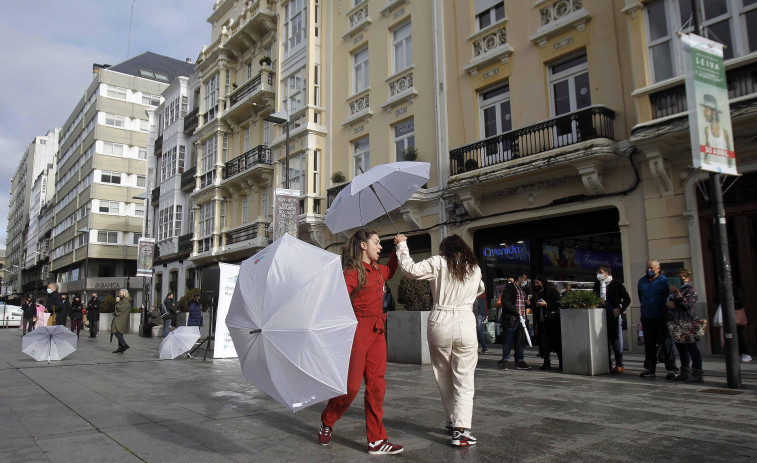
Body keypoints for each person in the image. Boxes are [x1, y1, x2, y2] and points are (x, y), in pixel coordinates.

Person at [319, 228, 403, 455]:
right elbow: (335, 300)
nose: (380, 246)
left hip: (377, 333)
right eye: (377, 242)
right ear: (363, 245)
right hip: (357, 332)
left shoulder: (377, 269)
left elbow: (392, 270)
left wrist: (398, 247)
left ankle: (376, 440)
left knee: (377, 386)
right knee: (351, 387)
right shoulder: (352, 273)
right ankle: (328, 419)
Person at [395, 234, 484, 447]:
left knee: (443, 374)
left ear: (444, 250)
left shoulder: (437, 262)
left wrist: (402, 246)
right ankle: (461, 430)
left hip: (440, 321)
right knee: (464, 377)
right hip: (465, 322)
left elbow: (410, 270)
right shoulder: (474, 268)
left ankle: (453, 420)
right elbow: (480, 289)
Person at [638, 260, 677, 378]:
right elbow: (641, 296)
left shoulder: (665, 281)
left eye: (651, 268)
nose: (649, 270)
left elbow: (671, 297)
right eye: (647, 267)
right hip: (646, 316)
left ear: (658, 269)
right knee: (649, 344)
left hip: (661, 316)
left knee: (666, 343)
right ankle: (649, 368)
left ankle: (671, 369)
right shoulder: (641, 281)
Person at [665, 269, 704, 383]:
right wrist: (669, 304)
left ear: (687, 279)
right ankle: (684, 372)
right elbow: (670, 305)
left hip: (687, 322)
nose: (680, 279)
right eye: (678, 277)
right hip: (676, 322)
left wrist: (678, 294)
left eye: (682, 277)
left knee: (692, 348)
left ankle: (697, 373)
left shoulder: (690, 290)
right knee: (681, 349)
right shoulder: (672, 291)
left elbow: (687, 306)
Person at [593, 265, 631, 373]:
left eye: (600, 272)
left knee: (614, 339)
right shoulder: (597, 284)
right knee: (603, 339)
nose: (598, 274)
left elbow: (627, 299)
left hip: (612, 313)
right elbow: (593, 295)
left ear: (607, 273)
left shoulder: (616, 284)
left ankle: (619, 363)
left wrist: (619, 308)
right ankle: (607, 363)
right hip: (600, 313)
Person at [496, 272, 531, 371]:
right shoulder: (510, 288)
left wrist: (528, 303)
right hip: (511, 319)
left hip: (522, 320)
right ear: (519, 279)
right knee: (508, 340)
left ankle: (520, 360)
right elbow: (505, 302)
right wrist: (515, 310)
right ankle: (506, 360)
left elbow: (523, 303)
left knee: (520, 341)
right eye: (524, 279)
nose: (525, 281)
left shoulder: (523, 290)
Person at [534, 276, 562, 371]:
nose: (536, 285)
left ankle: (561, 362)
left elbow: (558, 303)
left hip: (553, 321)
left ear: (542, 282)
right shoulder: (540, 292)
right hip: (543, 321)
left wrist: (546, 304)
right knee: (544, 343)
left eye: (537, 283)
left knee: (556, 343)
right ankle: (546, 362)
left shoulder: (551, 290)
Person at [733, 283, 752, 363]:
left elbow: (741, 301)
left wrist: (730, 300)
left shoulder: (737, 289)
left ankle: (746, 353)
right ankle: (739, 353)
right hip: (730, 314)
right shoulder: (724, 288)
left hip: (737, 314)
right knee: (733, 336)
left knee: (738, 334)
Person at [111, 289, 132, 353]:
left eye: (120, 293)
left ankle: (124, 344)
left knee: (114, 330)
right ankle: (120, 347)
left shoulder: (126, 301)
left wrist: (117, 302)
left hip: (121, 318)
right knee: (119, 332)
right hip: (119, 318)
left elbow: (120, 308)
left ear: (124, 294)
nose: (119, 295)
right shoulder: (123, 300)